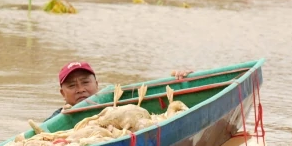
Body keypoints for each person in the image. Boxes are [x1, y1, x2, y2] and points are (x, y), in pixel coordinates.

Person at [45, 61, 193, 121]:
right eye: (72, 86)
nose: (80, 89)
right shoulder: (59, 118)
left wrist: (181, 80)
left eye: (85, 82)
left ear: (97, 85)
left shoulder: (117, 107)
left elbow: (160, 109)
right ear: (62, 94)